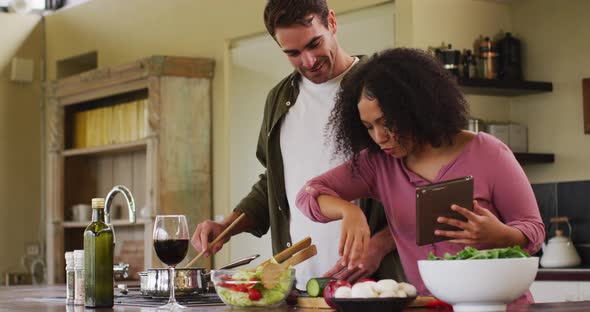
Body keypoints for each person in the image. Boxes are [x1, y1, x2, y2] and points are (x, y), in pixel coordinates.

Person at [295, 48, 545, 303]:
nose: (380, 137)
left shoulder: (489, 153)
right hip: (429, 307)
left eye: (387, 122)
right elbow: (309, 194)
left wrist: (501, 234)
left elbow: (534, 230)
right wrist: (349, 212)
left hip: (501, 306)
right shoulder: (379, 164)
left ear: (417, 108)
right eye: (369, 127)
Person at [191, 0, 403, 289]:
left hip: (373, 284)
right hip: (299, 285)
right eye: (293, 53)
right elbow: (274, 183)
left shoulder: (382, 86)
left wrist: (379, 245)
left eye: (314, 44)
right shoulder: (278, 100)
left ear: (331, 22)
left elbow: (424, 185)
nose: (309, 61)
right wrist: (226, 227)